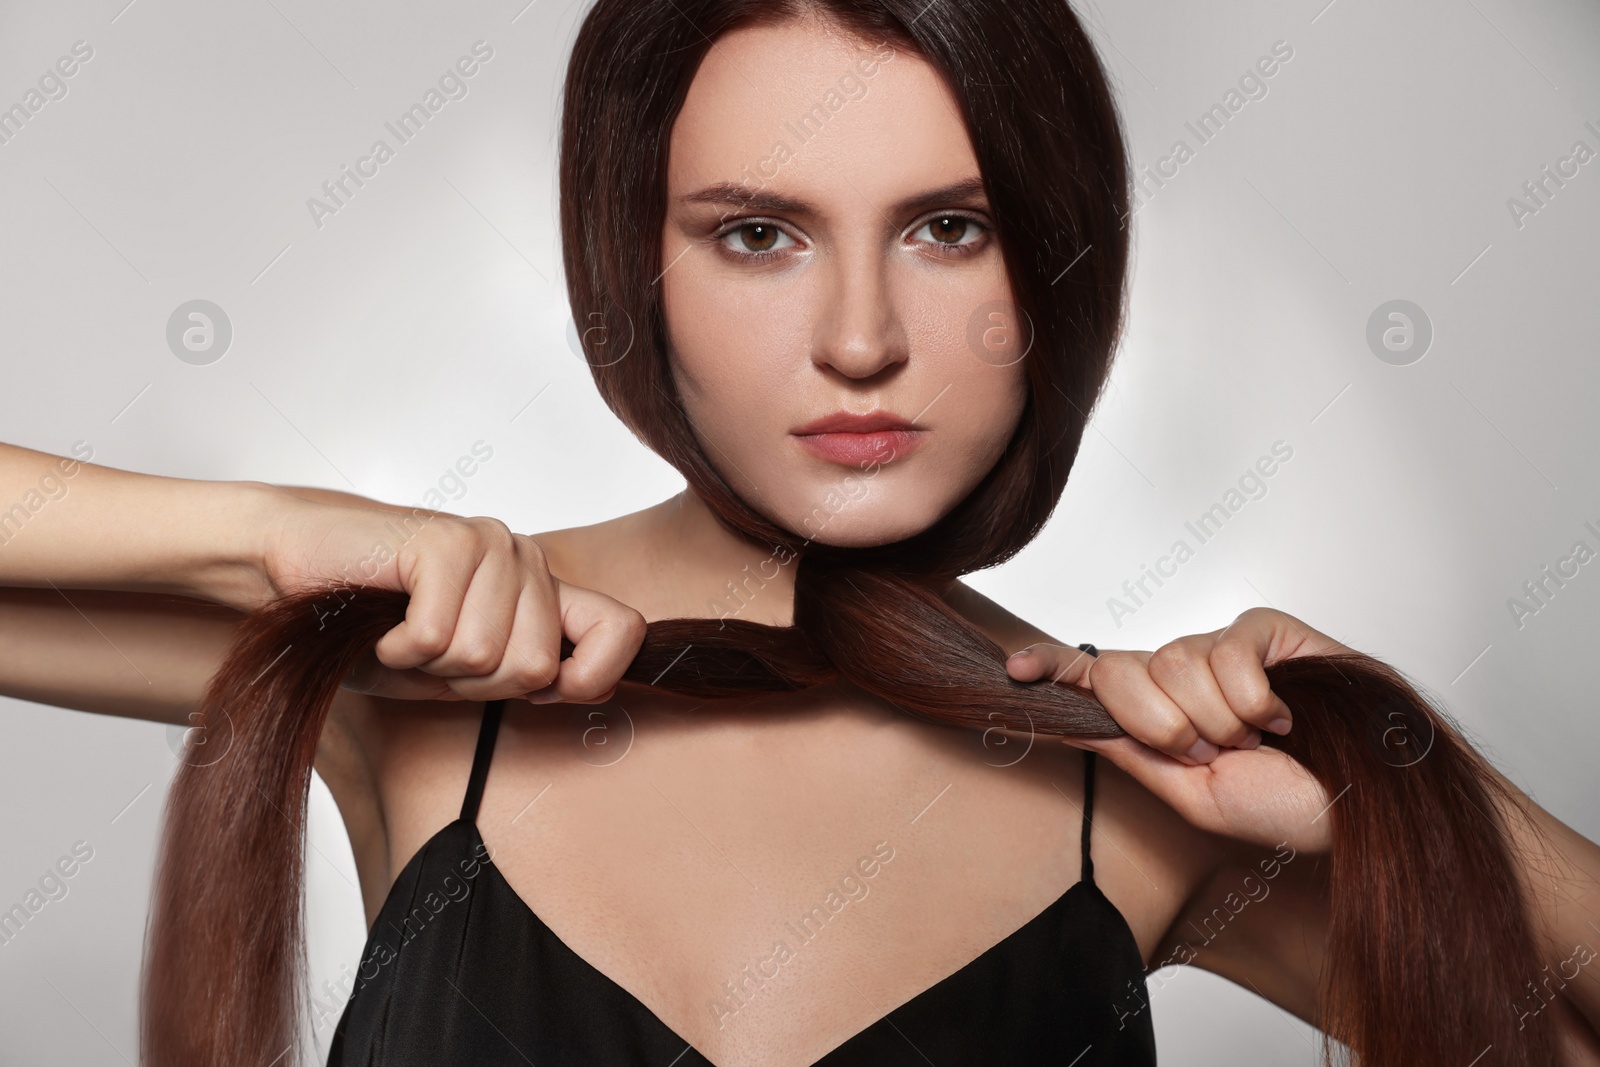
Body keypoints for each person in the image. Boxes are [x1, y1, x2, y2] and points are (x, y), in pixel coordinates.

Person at [6, 1, 1600, 1064]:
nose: (859, 338)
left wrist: (1415, 796)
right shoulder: (419, 672)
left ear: (1054, 269)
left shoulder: (1156, 785)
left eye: (948, 230)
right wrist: (263, 531)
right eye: (758, 235)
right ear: (639, 266)